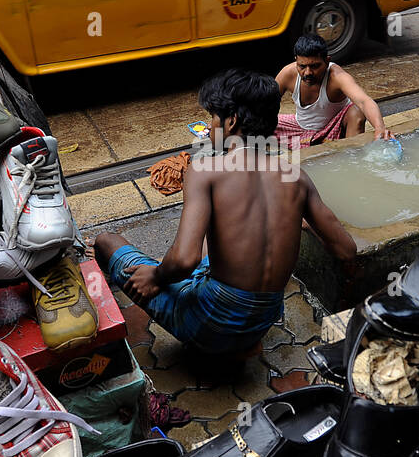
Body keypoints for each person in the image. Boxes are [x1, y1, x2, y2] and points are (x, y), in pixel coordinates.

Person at [92, 69, 355, 359]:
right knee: (210, 235)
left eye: (213, 118)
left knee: (107, 241)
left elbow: (183, 260)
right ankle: (241, 340)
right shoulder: (296, 177)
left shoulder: (205, 172)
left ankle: (106, 329)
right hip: (263, 320)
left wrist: (155, 276)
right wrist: (298, 222)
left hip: (209, 324)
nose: (209, 126)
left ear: (231, 121)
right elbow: (346, 249)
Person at [274, 33, 391, 148]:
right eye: (302, 66)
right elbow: (266, 101)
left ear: (327, 61)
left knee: (356, 111)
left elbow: (364, 101)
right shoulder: (287, 73)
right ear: (296, 61)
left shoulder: (337, 76)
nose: (308, 72)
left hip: (332, 128)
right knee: (260, 123)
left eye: (315, 66)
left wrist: (380, 128)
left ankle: (352, 156)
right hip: (299, 127)